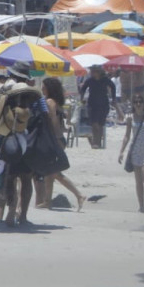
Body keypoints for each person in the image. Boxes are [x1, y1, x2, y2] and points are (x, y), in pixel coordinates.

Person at [36, 77, 86, 210]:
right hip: (60, 139)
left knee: (55, 173)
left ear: (49, 89)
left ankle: (79, 195)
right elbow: (62, 124)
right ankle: (47, 201)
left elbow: (52, 121)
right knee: (50, 172)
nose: (42, 88)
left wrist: (49, 138)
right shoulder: (57, 103)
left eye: (44, 86)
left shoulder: (49, 102)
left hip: (54, 140)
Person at [79, 64, 115, 148]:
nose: (91, 73)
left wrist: (114, 99)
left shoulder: (105, 80)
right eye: (91, 71)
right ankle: (96, 142)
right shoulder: (90, 80)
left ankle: (98, 142)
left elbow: (113, 87)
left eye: (93, 71)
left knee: (101, 124)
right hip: (92, 104)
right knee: (94, 124)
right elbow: (83, 88)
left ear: (98, 72)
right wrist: (82, 98)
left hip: (104, 104)